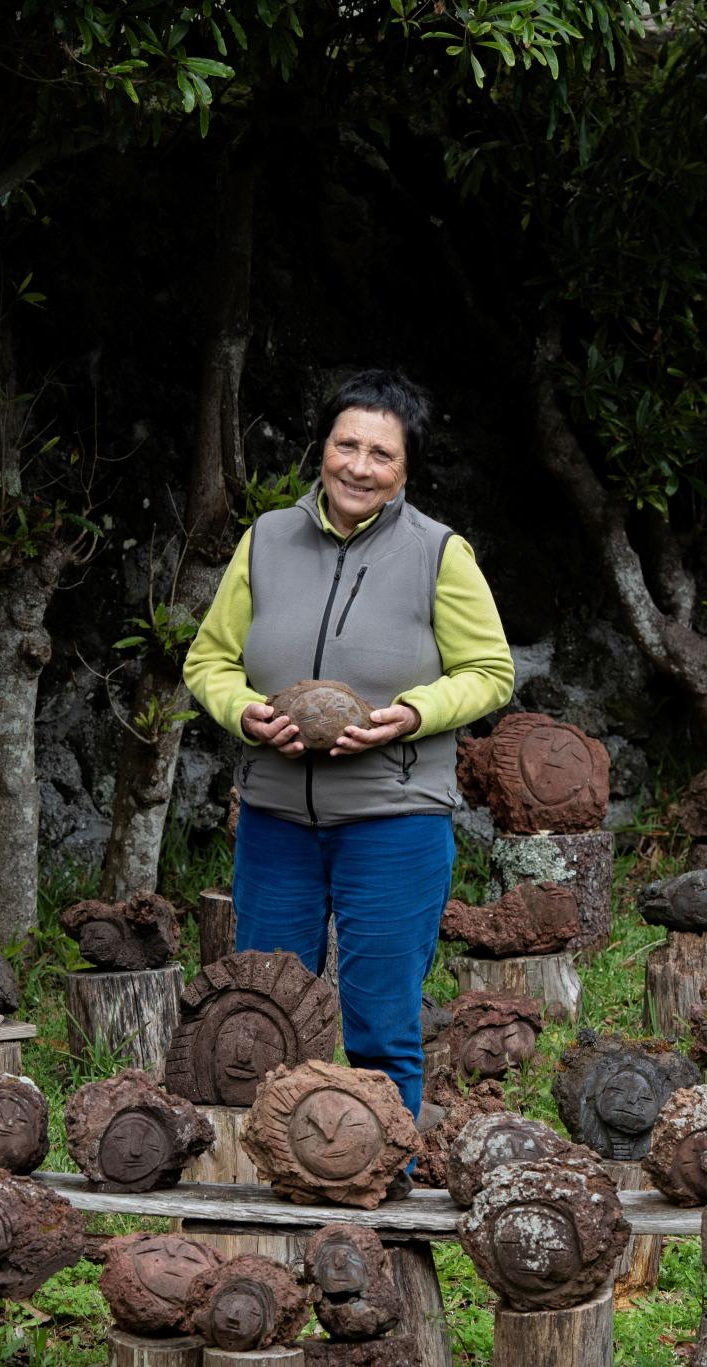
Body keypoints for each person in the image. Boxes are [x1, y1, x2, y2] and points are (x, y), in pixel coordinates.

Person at [184, 369, 515, 1124]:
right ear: (322, 447)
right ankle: (274, 1189)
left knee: (380, 1023)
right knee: (266, 1012)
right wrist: (244, 714)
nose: (359, 467)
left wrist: (413, 712)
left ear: (405, 468)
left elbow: (491, 672)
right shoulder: (266, 539)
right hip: (275, 822)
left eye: (381, 454)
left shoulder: (439, 553)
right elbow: (208, 660)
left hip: (393, 822)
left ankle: (378, 1190)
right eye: (346, 445)